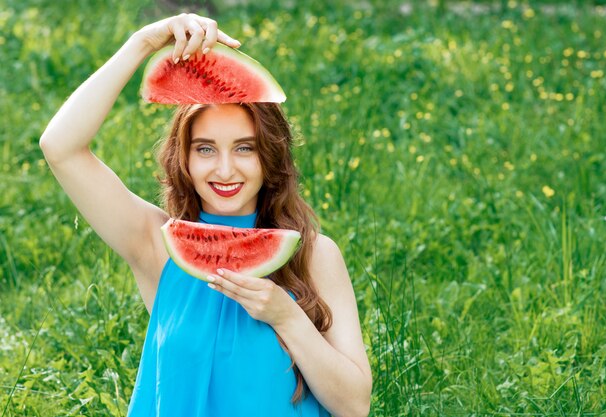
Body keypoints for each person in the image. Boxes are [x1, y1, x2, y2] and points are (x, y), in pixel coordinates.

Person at [39, 13, 372, 417]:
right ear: (185, 160)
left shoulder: (315, 255)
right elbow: (61, 147)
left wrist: (287, 317)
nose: (226, 170)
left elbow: (355, 407)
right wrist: (144, 43)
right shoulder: (156, 243)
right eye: (206, 149)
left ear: (269, 157)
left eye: (245, 148)